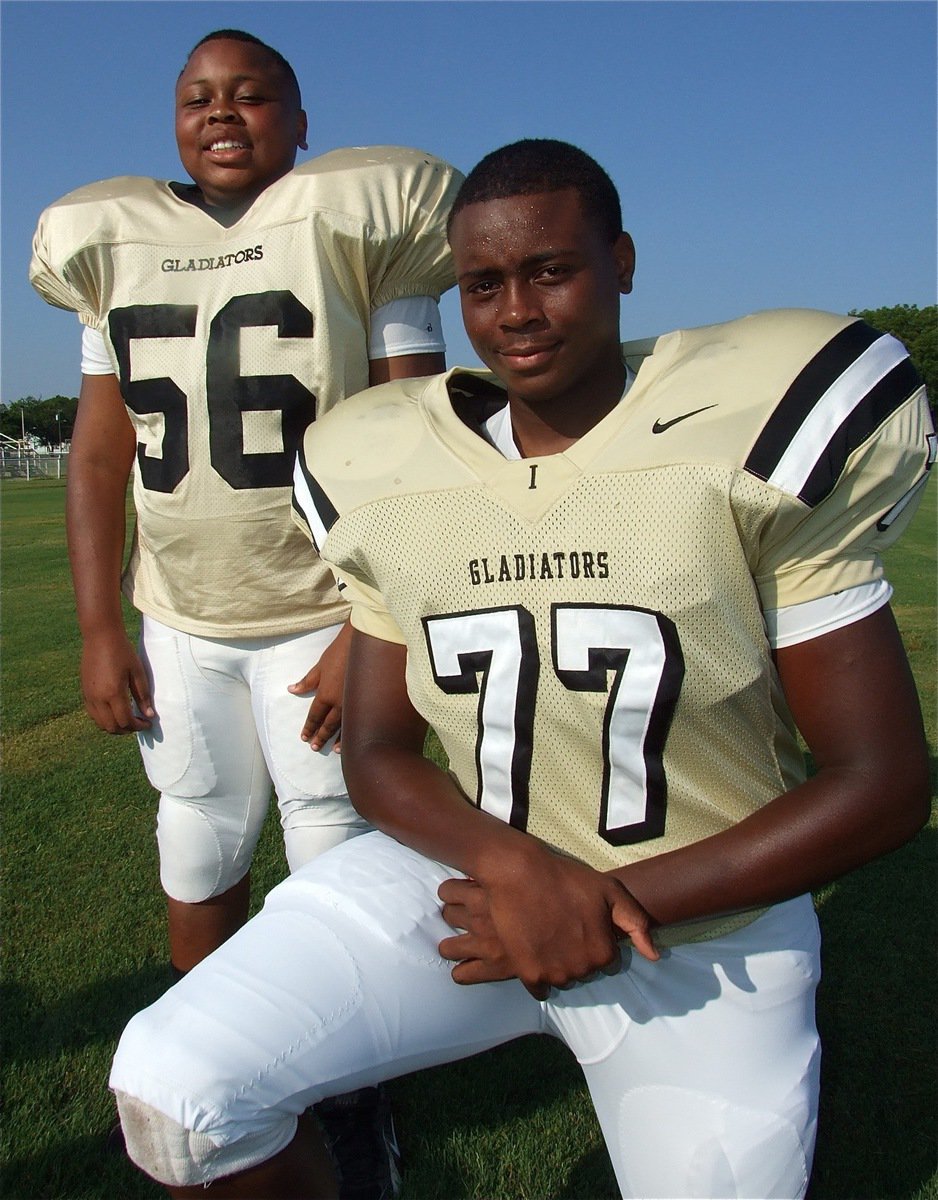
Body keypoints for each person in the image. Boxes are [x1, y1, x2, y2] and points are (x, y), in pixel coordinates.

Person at [106, 139, 933, 1199]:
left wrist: (605, 899)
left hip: (704, 922)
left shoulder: (746, 427)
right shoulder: (386, 460)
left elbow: (880, 782)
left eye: (550, 269)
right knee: (174, 1094)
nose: (515, 311)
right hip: (464, 882)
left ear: (620, 260)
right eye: (482, 285)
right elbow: (374, 755)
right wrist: (523, 875)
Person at [29, 27, 462, 1199]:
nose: (223, 114)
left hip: (321, 612)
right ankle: (215, 1078)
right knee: (198, 844)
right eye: (197, 98)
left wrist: (370, 625)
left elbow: (416, 433)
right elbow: (100, 446)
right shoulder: (109, 242)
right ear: (172, 118)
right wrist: (99, 625)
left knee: (330, 870)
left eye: (253, 94)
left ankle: (351, 1102)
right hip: (181, 617)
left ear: (299, 116)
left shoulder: (358, 216)